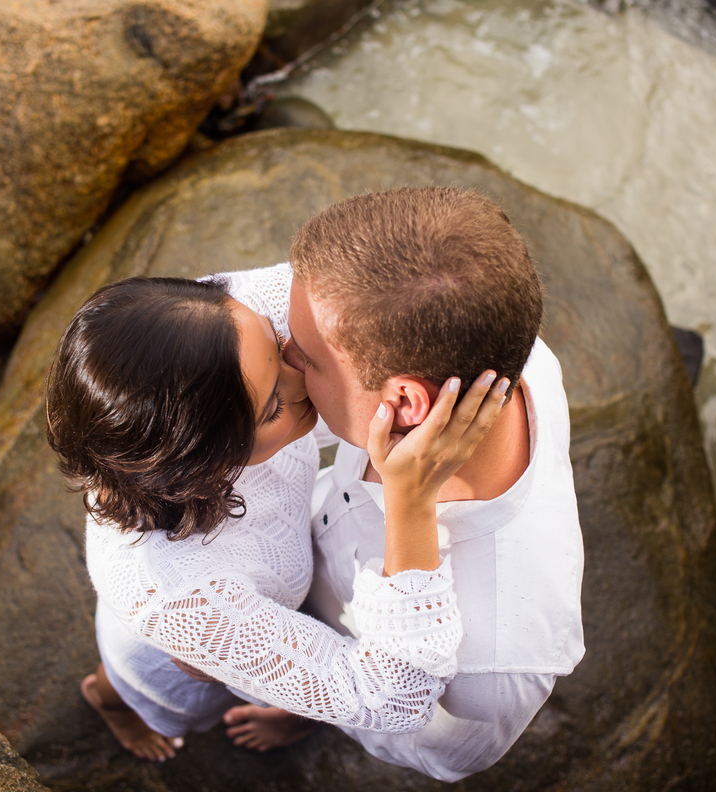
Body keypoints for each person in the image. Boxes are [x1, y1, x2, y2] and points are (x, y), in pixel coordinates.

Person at [44, 274, 510, 761]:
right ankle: (108, 703)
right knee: (137, 686)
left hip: (256, 601)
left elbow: (365, 286)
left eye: (276, 338)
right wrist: (410, 500)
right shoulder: (180, 597)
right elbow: (394, 698)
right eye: (272, 408)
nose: (301, 375)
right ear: (204, 467)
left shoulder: (213, 328)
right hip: (169, 659)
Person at [216, 187, 586, 781]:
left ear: (408, 404)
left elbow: (428, 729)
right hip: (326, 548)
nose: (285, 355)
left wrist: (316, 696)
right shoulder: (500, 348)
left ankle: (306, 718)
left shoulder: (496, 662)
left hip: (384, 683)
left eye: (307, 356)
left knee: (338, 699)